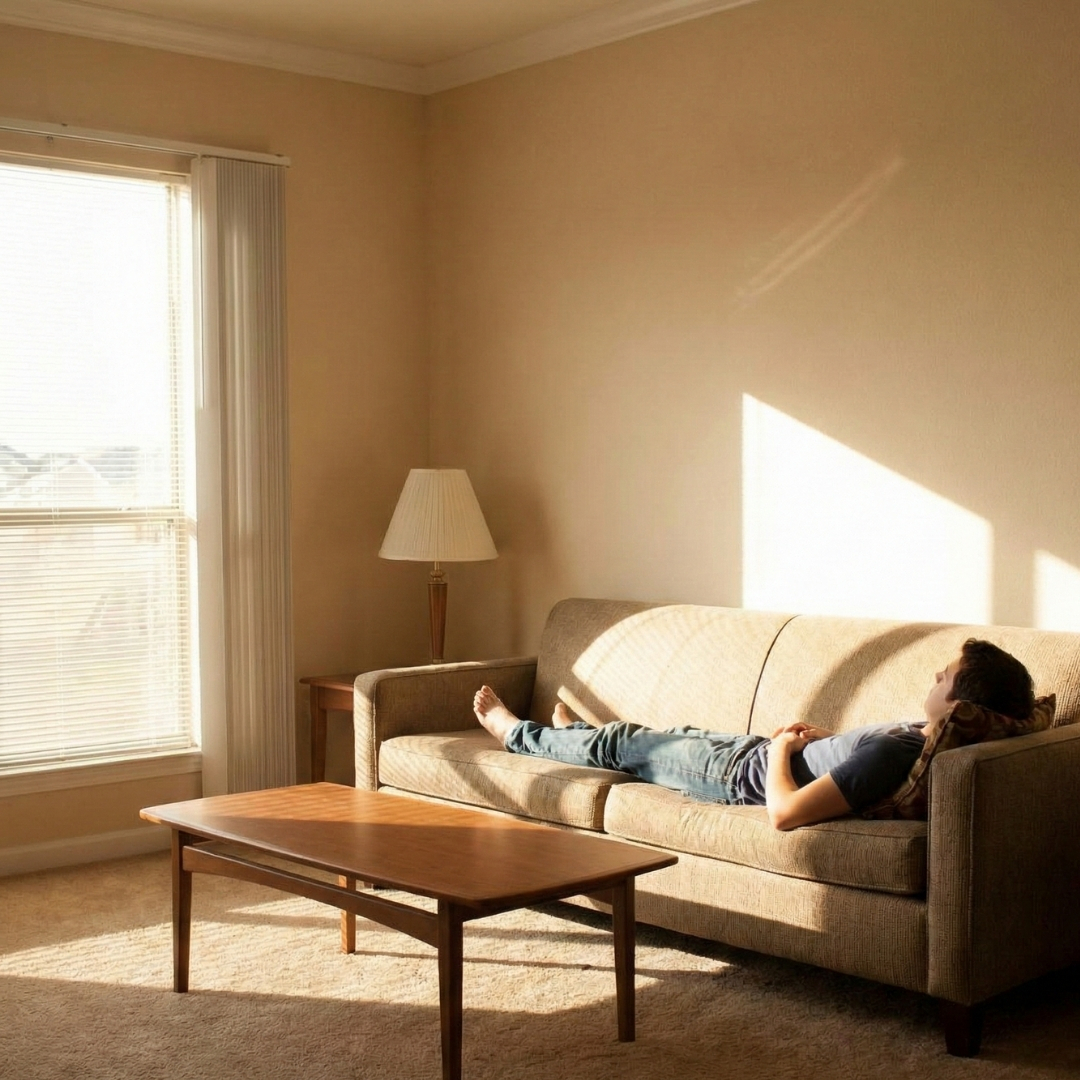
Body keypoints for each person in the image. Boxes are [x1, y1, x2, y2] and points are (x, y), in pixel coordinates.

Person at [472, 638, 1034, 831]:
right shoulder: (917, 738)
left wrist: (788, 749)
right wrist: (824, 741)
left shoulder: (900, 749)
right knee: (637, 740)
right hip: (749, 752)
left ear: (961, 703)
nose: (934, 678)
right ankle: (580, 736)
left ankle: (516, 733)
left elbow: (785, 813)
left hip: (739, 774)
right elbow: (854, 766)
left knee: (625, 744)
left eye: (945, 677)